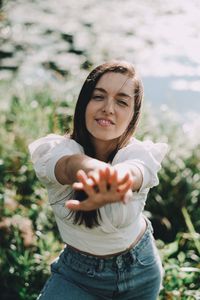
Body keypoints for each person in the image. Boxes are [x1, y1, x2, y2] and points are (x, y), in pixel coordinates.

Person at [29, 60, 168, 300]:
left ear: (133, 114)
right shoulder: (55, 150)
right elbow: (70, 165)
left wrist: (114, 179)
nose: (108, 108)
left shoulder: (138, 153)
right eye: (98, 97)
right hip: (77, 277)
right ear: (84, 103)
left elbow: (133, 171)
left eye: (122, 101)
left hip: (141, 269)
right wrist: (94, 172)